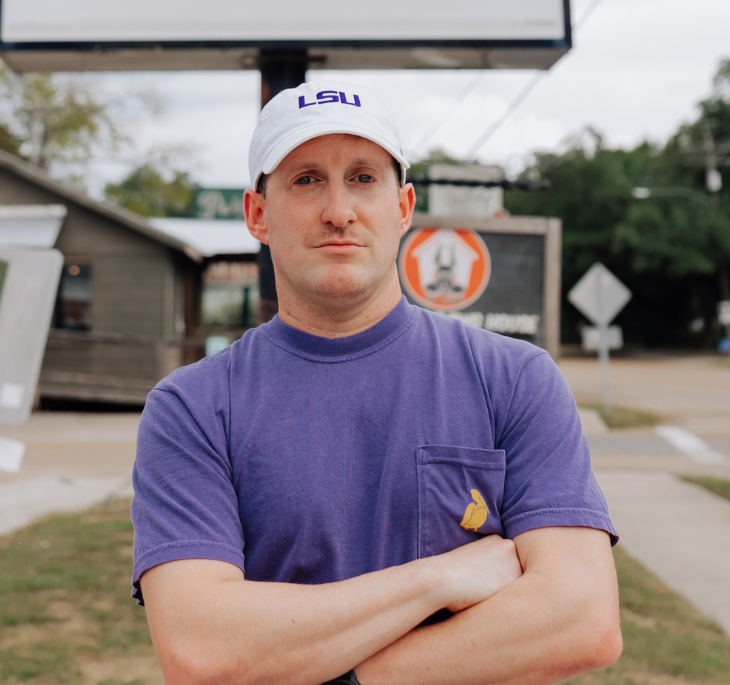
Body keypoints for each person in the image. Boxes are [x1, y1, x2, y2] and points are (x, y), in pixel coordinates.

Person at [132, 83, 621, 685]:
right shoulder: (193, 408)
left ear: (404, 206)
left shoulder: (515, 380)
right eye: (306, 180)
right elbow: (202, 649)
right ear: (257, 214)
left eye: (363, 178)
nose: (339, 209)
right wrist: (435, 579)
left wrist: (347, 673)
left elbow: (581, 620)